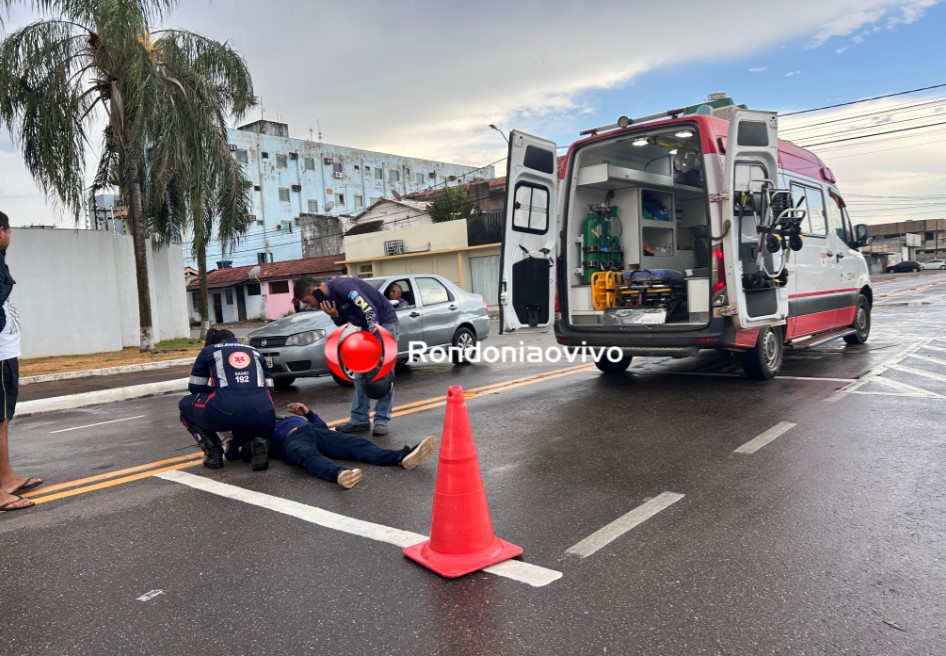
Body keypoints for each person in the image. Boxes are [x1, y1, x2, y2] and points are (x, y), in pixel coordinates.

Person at [294, 275, 399, 436]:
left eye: (307, 301)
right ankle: (359, 420)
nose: (309, 305)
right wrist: (334, 315)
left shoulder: (343, 287)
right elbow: (345, 322)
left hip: (384, 324)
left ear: (314, 291)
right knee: (360, 372)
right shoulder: (330, 299)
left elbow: (371, 312)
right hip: (367, 327)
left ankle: (381, 420)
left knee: (381, 373)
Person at [270, 402, 437, 489]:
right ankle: (340, 474)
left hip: (315, 430)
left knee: (356, 444)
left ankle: (402, 457)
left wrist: (308, 413)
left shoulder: (288, 417)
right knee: (307, 455)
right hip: (289, 439)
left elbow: (322, 427)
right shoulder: (262, 427)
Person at [179, 327, 276, 471]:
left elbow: (195, 387)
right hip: (264, 416)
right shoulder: (255, 351)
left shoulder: (209, 351)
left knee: (186, 404)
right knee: (250, 408)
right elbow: (270, 389)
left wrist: (217, 392)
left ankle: (213, 453)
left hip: (225, 411)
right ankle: (255, 443)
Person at [0, 211, 43, 512]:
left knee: (3, 420)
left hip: (5, 353)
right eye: (9, 231)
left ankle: (7, 478)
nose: (10, 237)